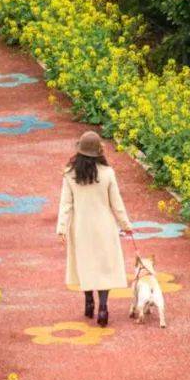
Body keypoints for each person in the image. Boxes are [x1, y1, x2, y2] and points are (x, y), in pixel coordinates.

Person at [57, 130, 133, 328]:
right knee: (103, 267)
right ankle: (103, 307)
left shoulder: (69, 174)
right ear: (99, 152)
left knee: (86, 264)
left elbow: (66, 204)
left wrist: (62, 228)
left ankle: (88, 301)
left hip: (80, 227)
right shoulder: (107, 174)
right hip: (104, 227)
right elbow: (117, 204)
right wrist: (126, 225)